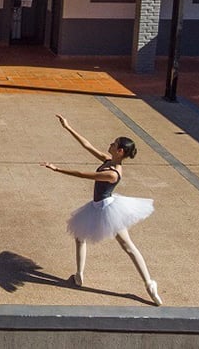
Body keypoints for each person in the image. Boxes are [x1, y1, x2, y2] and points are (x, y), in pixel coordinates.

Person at [42, 115, 163, 306]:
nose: (110, 144)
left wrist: (57, 169)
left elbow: (84, 175)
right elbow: (87, 145)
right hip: (98, 207)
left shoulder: (112, 173)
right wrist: (68, 127)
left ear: (120, 151)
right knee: (80, 237)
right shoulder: (108, 160)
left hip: (108, 210)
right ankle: (79, 275)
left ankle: (149, 284)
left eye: (114, 144)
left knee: (128, 247)